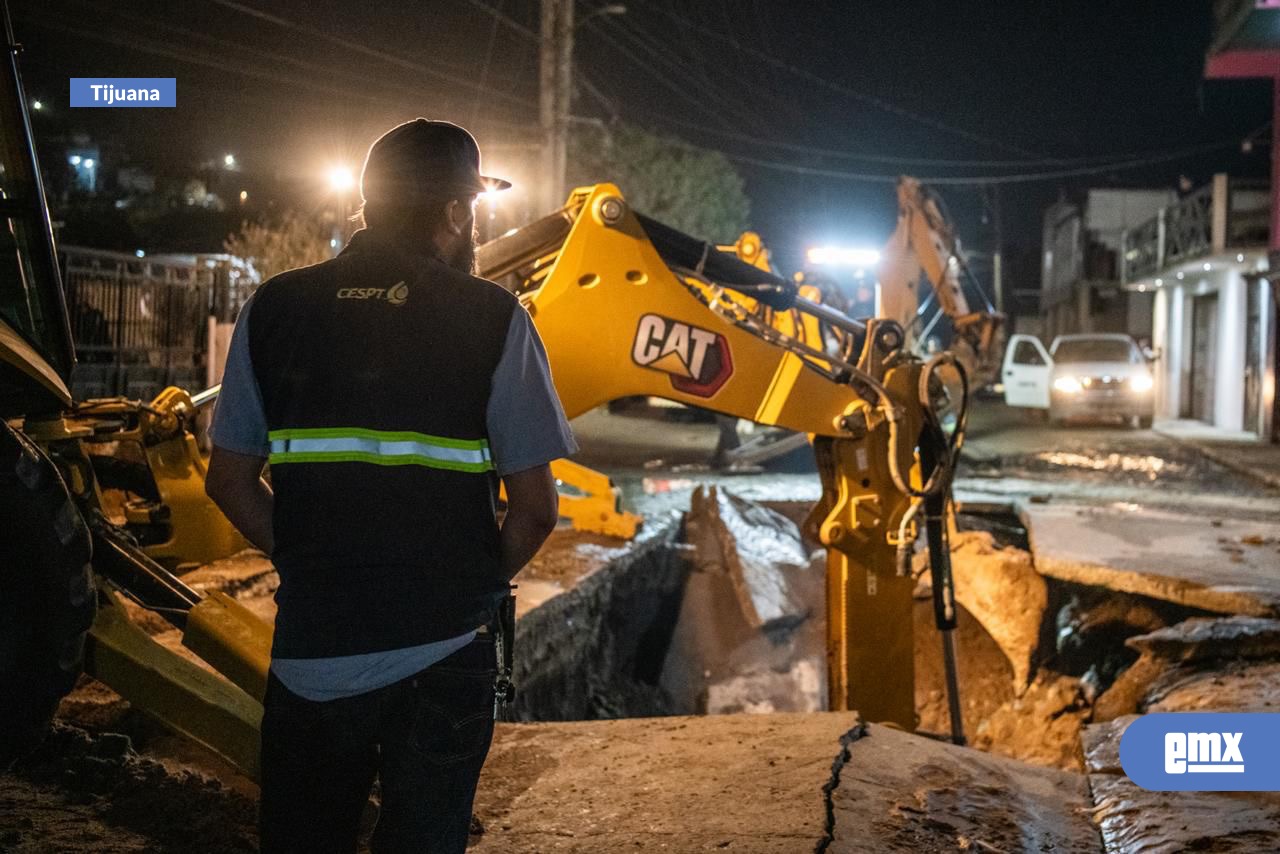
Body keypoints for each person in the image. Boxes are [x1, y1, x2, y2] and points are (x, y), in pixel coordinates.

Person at [204, 118, 576, 854]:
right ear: (454, 213)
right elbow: (536, 510)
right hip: (441, 654)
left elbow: (227, 482)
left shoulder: (274, 309)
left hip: (312, 652)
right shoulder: (494, 319)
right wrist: (468, 583)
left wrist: (309, 560)